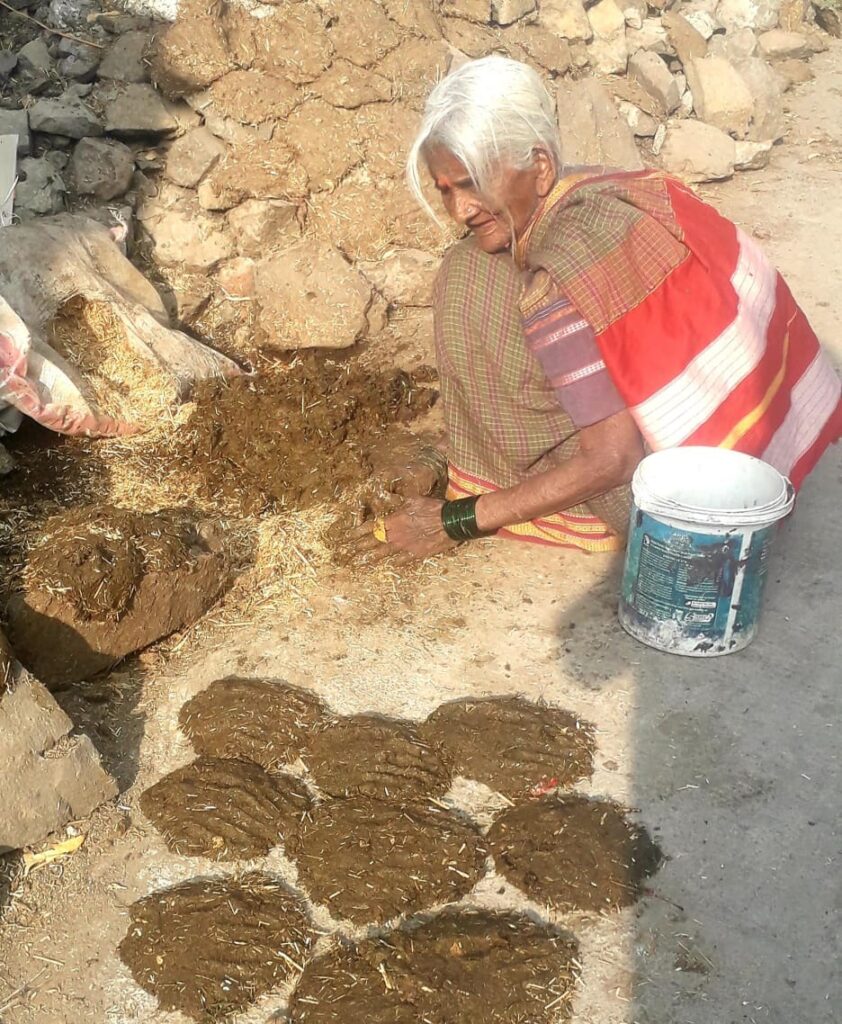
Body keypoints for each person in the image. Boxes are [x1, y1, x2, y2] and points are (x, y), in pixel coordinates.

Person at [354, 56, 842, 562]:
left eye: (473, 183)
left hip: (698, 513)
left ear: (540, 167)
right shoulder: (622, 188)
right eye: (447, 190)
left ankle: (522, 481)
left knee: (467, 276)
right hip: (769, 447)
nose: (460, 209)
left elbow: (614, 459)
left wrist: (456, 520)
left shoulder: (558, 281)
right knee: (474, 261)